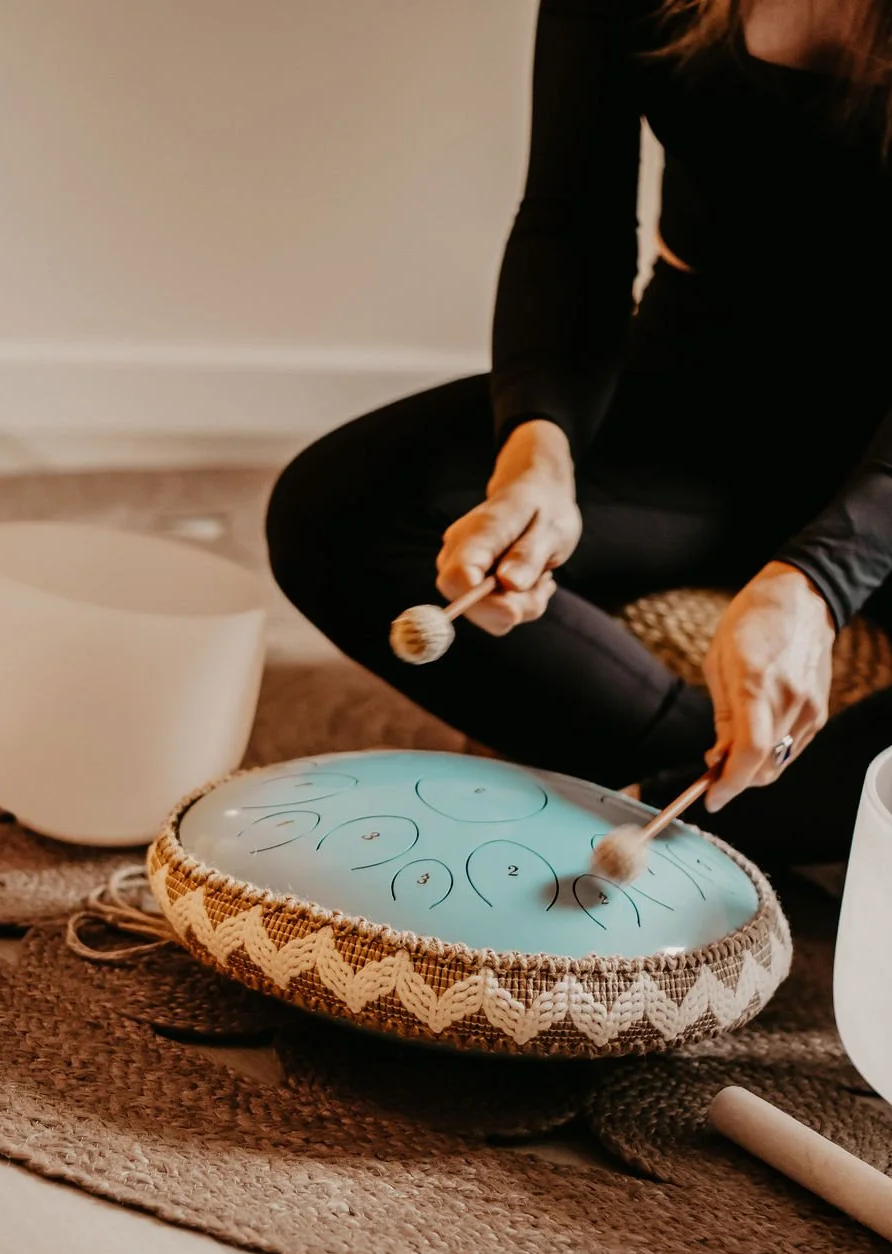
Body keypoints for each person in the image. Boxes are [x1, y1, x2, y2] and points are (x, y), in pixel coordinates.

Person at [266, 0, 892, 867]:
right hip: (696, 399)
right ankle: (729, 789)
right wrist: (538, 452)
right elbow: (573, 218)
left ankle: (709, 816)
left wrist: (820, 579)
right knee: (338, 509)